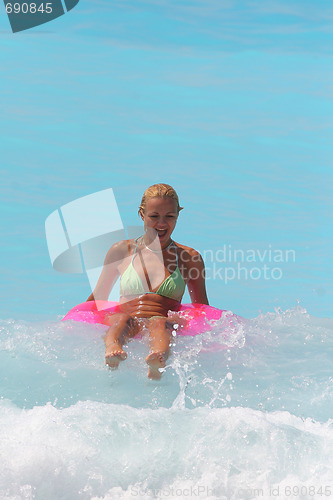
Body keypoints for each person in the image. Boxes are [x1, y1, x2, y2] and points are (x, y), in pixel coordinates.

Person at [86, 183, 209, 379]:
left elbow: (201, 309)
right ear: (142, 214)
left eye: (169, 216)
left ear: (178, 216)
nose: (161, 224)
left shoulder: (189, 257)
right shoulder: (122, 251)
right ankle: (113, 349)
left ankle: (157, 360)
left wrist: (184, 324)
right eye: (154, 216)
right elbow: (96, 299)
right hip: (127, 320)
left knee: (159, 322)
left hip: (164, 322)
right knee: (121, 319)